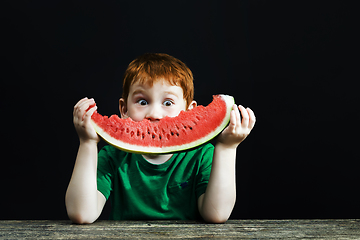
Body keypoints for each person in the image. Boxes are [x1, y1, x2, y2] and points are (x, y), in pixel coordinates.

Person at [65, 53, 256, 224]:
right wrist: (87, 143)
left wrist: (227, 148)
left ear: (191, 111)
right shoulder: (113, 155)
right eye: (142, 101)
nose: (154, 113)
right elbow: (82, 213)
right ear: (124, 109)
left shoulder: (203, 156)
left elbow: (217, 214)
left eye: (167, 102)